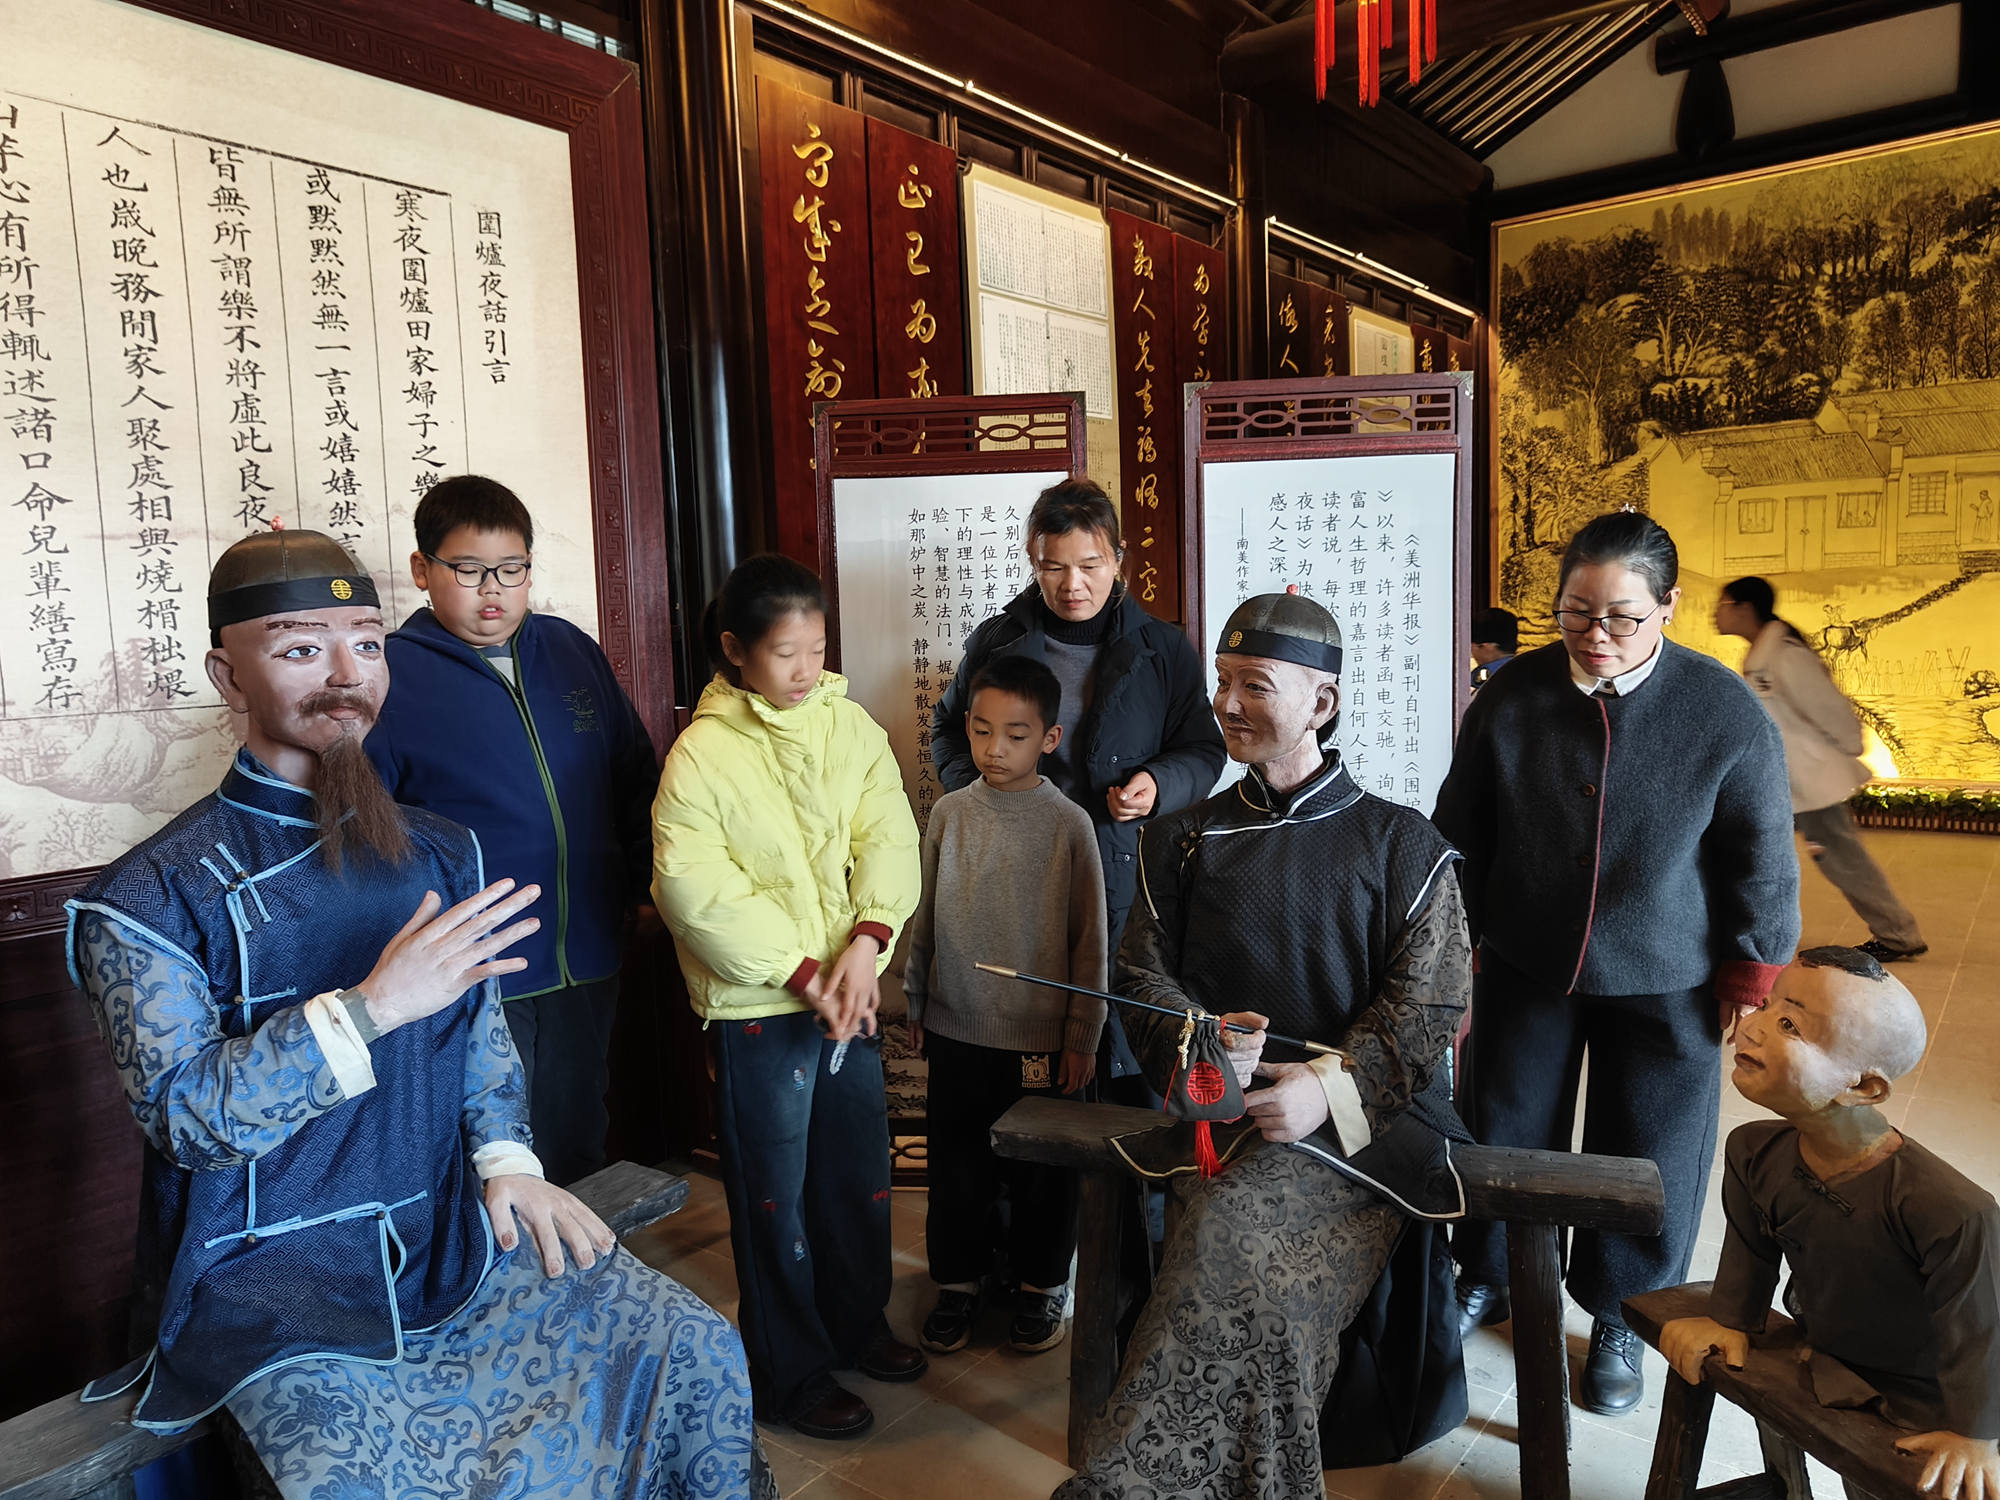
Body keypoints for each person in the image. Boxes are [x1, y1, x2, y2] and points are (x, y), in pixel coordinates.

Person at [67, 529, 770, 1498]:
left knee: (688, 1344)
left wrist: (509, 1163)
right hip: (269, 1284)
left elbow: (478, 1032)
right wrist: (370, 1008)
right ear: (228, 676)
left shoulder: (441, 851)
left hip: (448, 1235)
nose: (346, 675)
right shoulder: (150, 898)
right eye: (301, 647)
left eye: (367, 642)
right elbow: (188, 1121)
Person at [1055, 593, 1475, 1500]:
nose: (1227, 703)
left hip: (1363, 1137)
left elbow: (1429, 1004)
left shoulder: (1403, 844)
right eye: (1222, 681)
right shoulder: (1182, 838)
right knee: (1235, 1261)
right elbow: (1141, 976)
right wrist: (1205, 1043)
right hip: (1227, 1117)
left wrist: (1326, 1088)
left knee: (1238, 1258)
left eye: (1255, 684)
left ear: (1322, 702)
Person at [1434, 510, 1800, 1416]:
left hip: (1670, 968)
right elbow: (1463, 828)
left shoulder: (1722, 710)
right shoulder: (1511, 696)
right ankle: (1489, 1270)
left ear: (1667, 607)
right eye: (1576, 613)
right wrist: (1449, 943)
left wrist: (1751, 970)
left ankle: (1623, 1313)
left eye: (1623, 618)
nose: (1597, 635)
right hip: (1526, 956)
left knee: (1651, 1150)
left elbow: (1761, 853)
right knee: (1505, 1122)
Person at [651, 554, 925, 1442]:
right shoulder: (701, 754)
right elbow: (693, 891)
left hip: (850, 988)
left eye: (816, 648)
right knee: (774, 1195)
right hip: (760, 1007)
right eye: (783, 652)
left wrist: (868, 942)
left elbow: (888, 833)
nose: (806, 669)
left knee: (856, 1176)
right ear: (735, 650)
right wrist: (804, 974)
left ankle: (856, 1324)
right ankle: (789, 1372)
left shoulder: (850, 726)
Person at [366, 474, 659, 1186]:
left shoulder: (570, 650)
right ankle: (497, 1262)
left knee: (580, 1127)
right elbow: (371, 832)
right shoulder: (391, 675)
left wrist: (645, 887)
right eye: (468, 570)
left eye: (511, 569)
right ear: (422, 570)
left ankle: (581, 1257)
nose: (492, 590)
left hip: (586, 947)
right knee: (492, 1152)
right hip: (475, 964)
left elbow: (634, 776)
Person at [1661, 947, 2000, 1500]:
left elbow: (1983, 1329)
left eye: (1790, 1026)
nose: (1753, 1027)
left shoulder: (1953, 1211)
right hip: (1831, 1366)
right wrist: (1730, 1319)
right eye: (1767, 1006)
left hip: (1929, 1398)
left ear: (1862, 1088)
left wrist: (1976, 1433)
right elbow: (1749, 1252)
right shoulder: (1753, 1152)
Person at [930, 477, 1225, 1095]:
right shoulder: (998, 642)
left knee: (1124, 1056)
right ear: (1032, 560)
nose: (1072, 585)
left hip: (1126, 870)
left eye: (1090, 565)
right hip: (1016, 872)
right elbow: (949, 731)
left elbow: (1204, 749)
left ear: (1119, 560)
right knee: (1020, 1051)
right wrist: (985, 793)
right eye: (1053, 567)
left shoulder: (1163, 649)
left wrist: (1156, 783)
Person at [904, 654, 1107, 1357]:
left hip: (1041, 1039)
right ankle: (958, 1282)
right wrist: (916, 1000)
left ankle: (1040, 1285)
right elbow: (924, 919)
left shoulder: (1070, 825)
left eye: (1016, 735)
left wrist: (1081, 1034)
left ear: (1049, 738)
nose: (995, 749)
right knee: (957, 1167)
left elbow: (1090, 941)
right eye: (983, 730)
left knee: (1043, 1174)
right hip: (957, 1027)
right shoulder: (950, 814)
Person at [1715, 576, 1926, 963]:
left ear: (1745, 609)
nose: (1716, 613)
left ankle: (1898, 934)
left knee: (1843, 860)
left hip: (1812, 782)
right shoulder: (1765, 654)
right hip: (1789, 781)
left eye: (1723, 604)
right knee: (1747, 852)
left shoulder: (1785, 655)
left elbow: (1828, 707)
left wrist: (1851, 746)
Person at [1469, 605, 1518, 691]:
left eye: (1472, 647)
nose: (1472, 653)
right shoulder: (1524, 670)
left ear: (1487, 647)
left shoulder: (1487, 677)